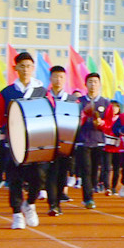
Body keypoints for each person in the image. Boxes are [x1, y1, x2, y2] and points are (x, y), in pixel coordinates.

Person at [0, 53, 48, 229]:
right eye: (22, 66)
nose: (25, 69)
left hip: (36, 143)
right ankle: (17, 213)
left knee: (39, 177)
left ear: (33, 68)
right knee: (15, 179)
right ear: (15, 68)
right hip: (14, 143)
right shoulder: (7, 93)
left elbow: (50, 114)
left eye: (28, 66)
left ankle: (30, 204)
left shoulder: (42, 92)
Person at [73, 72, 113, 209]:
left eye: (95, 82)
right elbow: (74, 121)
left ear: (100, 84)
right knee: (86, 170)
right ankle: (88, 198)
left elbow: (109, 124)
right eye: (90, 82)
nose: (93, 85)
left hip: (99, 141)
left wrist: (102, 123)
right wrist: (84, 114)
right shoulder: (79, 102)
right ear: (85, 84)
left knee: (95, 170)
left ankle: (92, 191)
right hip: (83, 141)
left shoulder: (106, 103)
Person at [44, 66, 76, 214]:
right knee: (50, 173)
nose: (58, 80)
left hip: (65, 143)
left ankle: (57, 202)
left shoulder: (71, 100)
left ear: (65, 79)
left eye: (61, 77)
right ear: (50, 78)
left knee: (62, 174)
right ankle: (53, 204)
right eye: (55, 77)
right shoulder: (44, 99)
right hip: (48, 142)